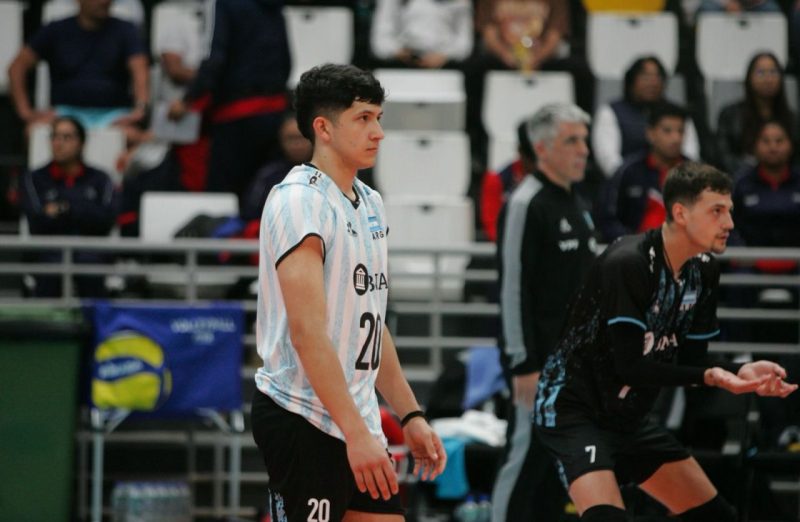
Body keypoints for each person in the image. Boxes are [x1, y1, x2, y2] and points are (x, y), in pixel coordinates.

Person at [533, 161, 797, 522]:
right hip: (575, 410)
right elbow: (631, 366)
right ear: (680, 213)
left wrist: (740, 371)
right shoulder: (628, 262)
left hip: (629, 417)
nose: (730, 224)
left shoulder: (704, 269)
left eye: (730, 211)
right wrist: (713, 377)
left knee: (717, 517)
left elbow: (692, 361)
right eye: (717, 211)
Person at [250, 64, 446, 522]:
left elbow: (370, 324)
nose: (378, 132)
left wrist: (410, 414)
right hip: (303, 415)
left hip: (355, 418)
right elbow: (306, 333)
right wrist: (356, 433)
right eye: (363, 118)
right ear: (323, 128)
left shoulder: (369, 202)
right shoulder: (299, 200)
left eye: (378, 117)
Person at [492, 103, 597, 521]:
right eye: (572, 141)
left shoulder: (577, 202)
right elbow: (512, 287)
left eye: (584, 140)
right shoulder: (526, 203)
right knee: (523, 459)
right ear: (542, 148)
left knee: (560, 471)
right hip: (537, 363)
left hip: (577, 362)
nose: (584, 150)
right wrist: (523, 363)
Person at [168, 0, 290, 207]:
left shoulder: (223, 3)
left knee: (224, 197)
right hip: (273, 112)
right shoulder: (274, 6)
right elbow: (286, 60)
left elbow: (215, 58)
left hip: (235, 115)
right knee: (264, 195)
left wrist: (189, 99)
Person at [731, 120, 800, 448]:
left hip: (796, 267)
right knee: (735, 281)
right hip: (752, 266)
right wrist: (746, 256)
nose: (773, 146)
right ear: (755, 146)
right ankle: (739, 349)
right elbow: (728, 225)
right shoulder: (741, 184)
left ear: (790, 144)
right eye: (766, 140)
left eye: (779, 139)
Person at [7, 0, 149, 132]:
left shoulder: (126, 30)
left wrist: (139, 109)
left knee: (135, 137)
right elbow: (17, 68)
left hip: (114, 116)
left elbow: (140, 69)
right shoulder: (56, 30)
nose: (104, 1)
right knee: (35, 132)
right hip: (64, 114)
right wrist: (25, 112)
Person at [19, 116, 117, 297]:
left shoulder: (101, 179)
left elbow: (105, 221)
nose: (58, 143)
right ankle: (45, 317)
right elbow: (37, 222)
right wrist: (84, 210)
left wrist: (64, 209)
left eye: (66, 137)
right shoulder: (34, 178)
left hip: (90, 252)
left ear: (81, 143)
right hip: (48, 252)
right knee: (49, 268)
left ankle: (95, 316)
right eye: (55, 137)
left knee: (91, 268)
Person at [596, 101, 689, 243]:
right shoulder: (628, 171)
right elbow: (608, 220)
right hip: (635, 252)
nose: (676, 138)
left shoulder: (697, 173)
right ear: (650, 133)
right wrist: (634, 245)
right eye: (667, 131)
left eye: (680, 131)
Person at [592, 56, 700, 178]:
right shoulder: (611, 111)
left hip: (674, 182)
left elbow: (691, 154)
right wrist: (633, 180)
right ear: (631, 80)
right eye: (645, 77)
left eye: (657, 77)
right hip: (628, 182)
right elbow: (608, 159)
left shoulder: (676, 113)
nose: (653, 83)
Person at [715, 52, 795, 177]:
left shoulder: (792, 119)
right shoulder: (730, 114)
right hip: (739, 181)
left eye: (773, 72)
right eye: (761, 72)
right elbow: (722, 155)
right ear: (749, 77)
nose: (768, 79)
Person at [369, 0, 473, 69]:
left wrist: (444, 56)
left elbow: (464, 44)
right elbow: (380, 42)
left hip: (447, 67)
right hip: (400, 66)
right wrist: (399, 52)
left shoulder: (460, 2)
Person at [479, 119, 536, 242]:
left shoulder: (557, 179)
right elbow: (492, 226)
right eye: (532, 159)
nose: (536, 165)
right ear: (520, 151)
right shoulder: (497, 180)